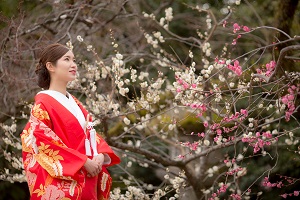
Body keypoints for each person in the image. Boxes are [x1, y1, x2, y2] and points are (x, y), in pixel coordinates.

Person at [20, 43, 120, 200]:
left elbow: (91, 134)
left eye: (74, 60)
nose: (73, 65)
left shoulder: (74, 102)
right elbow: (42, 142)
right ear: (50, 66)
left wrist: (100, 155)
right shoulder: (43, 104)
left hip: (89, 177)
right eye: (67, 59)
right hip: (69, 181)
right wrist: (83, 161)